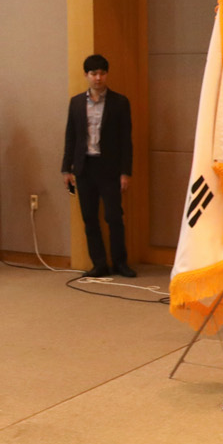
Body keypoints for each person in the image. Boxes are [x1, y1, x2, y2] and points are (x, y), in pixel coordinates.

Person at [62, 53, 136, 278]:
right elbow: (71, 136)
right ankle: (99, 264)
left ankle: (120, 262)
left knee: (114, 217)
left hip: (110, 168)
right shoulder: (76, 102)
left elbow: (126, 140)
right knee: (89, 218)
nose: (98, 78)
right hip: (85, 167)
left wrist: (126, 172)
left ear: (106, 75)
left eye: (102, 73)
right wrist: (66, 168)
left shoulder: (120, 102)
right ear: (86, 75)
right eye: (93, 74)